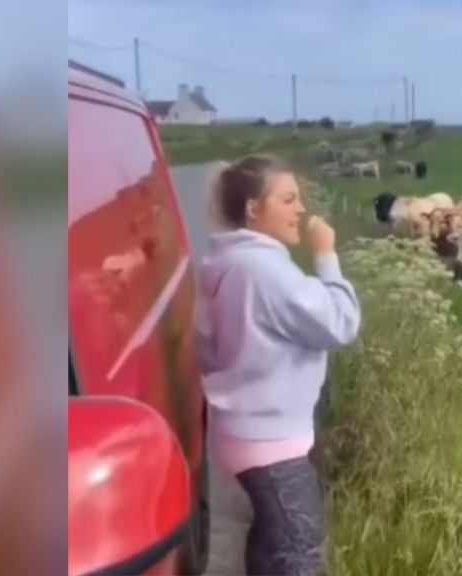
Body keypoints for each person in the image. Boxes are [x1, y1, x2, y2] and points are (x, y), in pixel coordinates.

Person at [196, 155, 361, 576]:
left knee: (273, 544)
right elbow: (340, 323)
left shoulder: (228, 264)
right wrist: (326, 256)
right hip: (273, 446)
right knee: (301, 553)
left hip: (245, 433)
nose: (301, 210)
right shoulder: (265, 271)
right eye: (288, 199)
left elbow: (208, 346)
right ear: (254, 209)